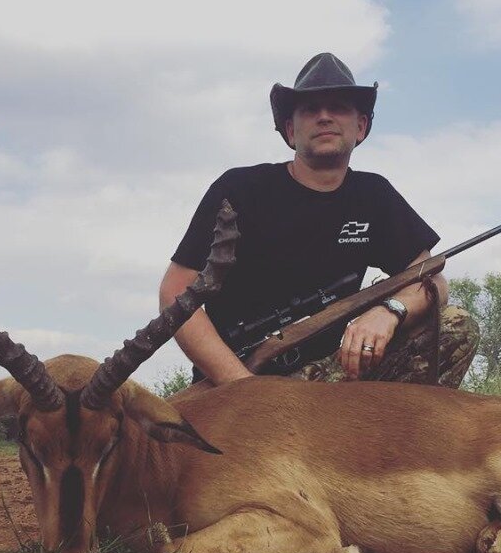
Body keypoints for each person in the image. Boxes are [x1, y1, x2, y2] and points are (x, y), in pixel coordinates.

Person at [160, 52, 479, 387]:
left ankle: (382, 438)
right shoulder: (239, 189)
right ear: (290, 131)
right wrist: (240, 386)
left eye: (338, 107)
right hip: (236, 381)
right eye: (310, 109)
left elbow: (433, 282)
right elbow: (175, 291)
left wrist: (389, 311)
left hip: (328, 379)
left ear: (361, 127)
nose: (324, 117)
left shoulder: (374, 195)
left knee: (455, 324)